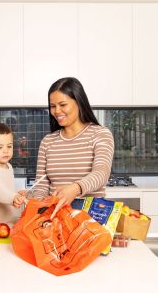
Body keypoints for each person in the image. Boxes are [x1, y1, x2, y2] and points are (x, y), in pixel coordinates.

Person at [30, 77, 114, 218]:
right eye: (52, 106)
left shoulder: (100, 134)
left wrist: (75, 188)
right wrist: (36, 210)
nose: (57, 111)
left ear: (79, 103)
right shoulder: (48, 141)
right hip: (55, 220)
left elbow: (101, 173)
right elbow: (41, 186)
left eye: (63, 105)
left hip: (90, 220)